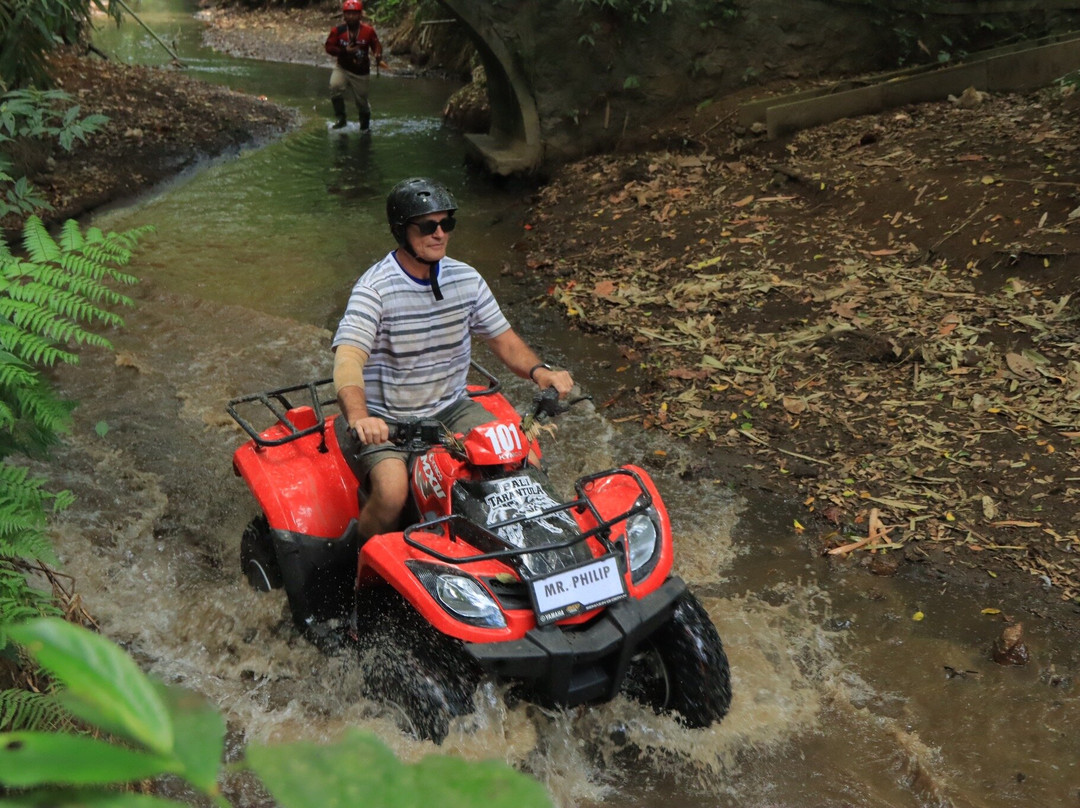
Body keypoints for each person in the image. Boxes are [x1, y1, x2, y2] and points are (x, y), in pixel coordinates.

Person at [332, 177, 575, 542]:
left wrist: (541, 372)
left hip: (451, 408)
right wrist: (361, 418)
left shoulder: (467, 279)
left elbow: (504, 342)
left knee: (523, 462)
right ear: (401, 231)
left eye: (447, 224)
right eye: (428, 226)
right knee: (392, 491)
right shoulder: (374, 289)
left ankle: (540, 552)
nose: (440, 234)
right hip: (388, 421)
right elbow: (348, 358)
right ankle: (355, 560)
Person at [324, 0, 382, 131]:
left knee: (361, 101)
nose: (350, 17)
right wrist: (344, 51)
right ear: (344, 15)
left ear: (360, 15)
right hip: (342, 68)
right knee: (335, 87)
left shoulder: (368, 31)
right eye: (348, 14)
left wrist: (378, 55)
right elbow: (329, 47)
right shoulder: (337, 31)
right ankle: (341, 119)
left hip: (361, 72)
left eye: (354, 14)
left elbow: (376, 46)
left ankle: (365, 125)